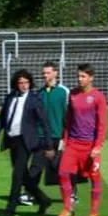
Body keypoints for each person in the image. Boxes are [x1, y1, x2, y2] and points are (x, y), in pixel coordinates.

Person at [0, 70, 53, 216]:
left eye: (26, 82)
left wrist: (49, 146)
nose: (24, 85)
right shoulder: (10, 97)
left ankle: (10, 209)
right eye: (21, 83)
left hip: (26, 141)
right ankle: (43, 200)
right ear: (16, 84)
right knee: (23, 176)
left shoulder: (34, 99)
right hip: (11, 139)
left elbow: (45, 122)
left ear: (30, 83)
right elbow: (2, 117)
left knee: (17, 175)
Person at [56, 64, 108, 216]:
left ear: (91, 78)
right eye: (78, 76)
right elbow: (69, 120)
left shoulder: (98, 97)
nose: (80, 79)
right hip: (73, 144)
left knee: (95, 178)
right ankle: (67, 209)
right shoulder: (72, 94)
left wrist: (98, 146)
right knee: (63, 173)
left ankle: (93, 212)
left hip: (90, 145)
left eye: (83, 76)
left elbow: (102, 124)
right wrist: (65, 139)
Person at [23, 61, 70, 207]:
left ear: (56, 73)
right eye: (43, 73)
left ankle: (71, 193)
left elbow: (69, 117)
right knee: (36, 166)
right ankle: (30, 193)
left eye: (48, 72)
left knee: (62, 167)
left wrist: (66, 137)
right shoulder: (39, 93)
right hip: (41, 137)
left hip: (58, 136)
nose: (45, 75)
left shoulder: (64, 92)